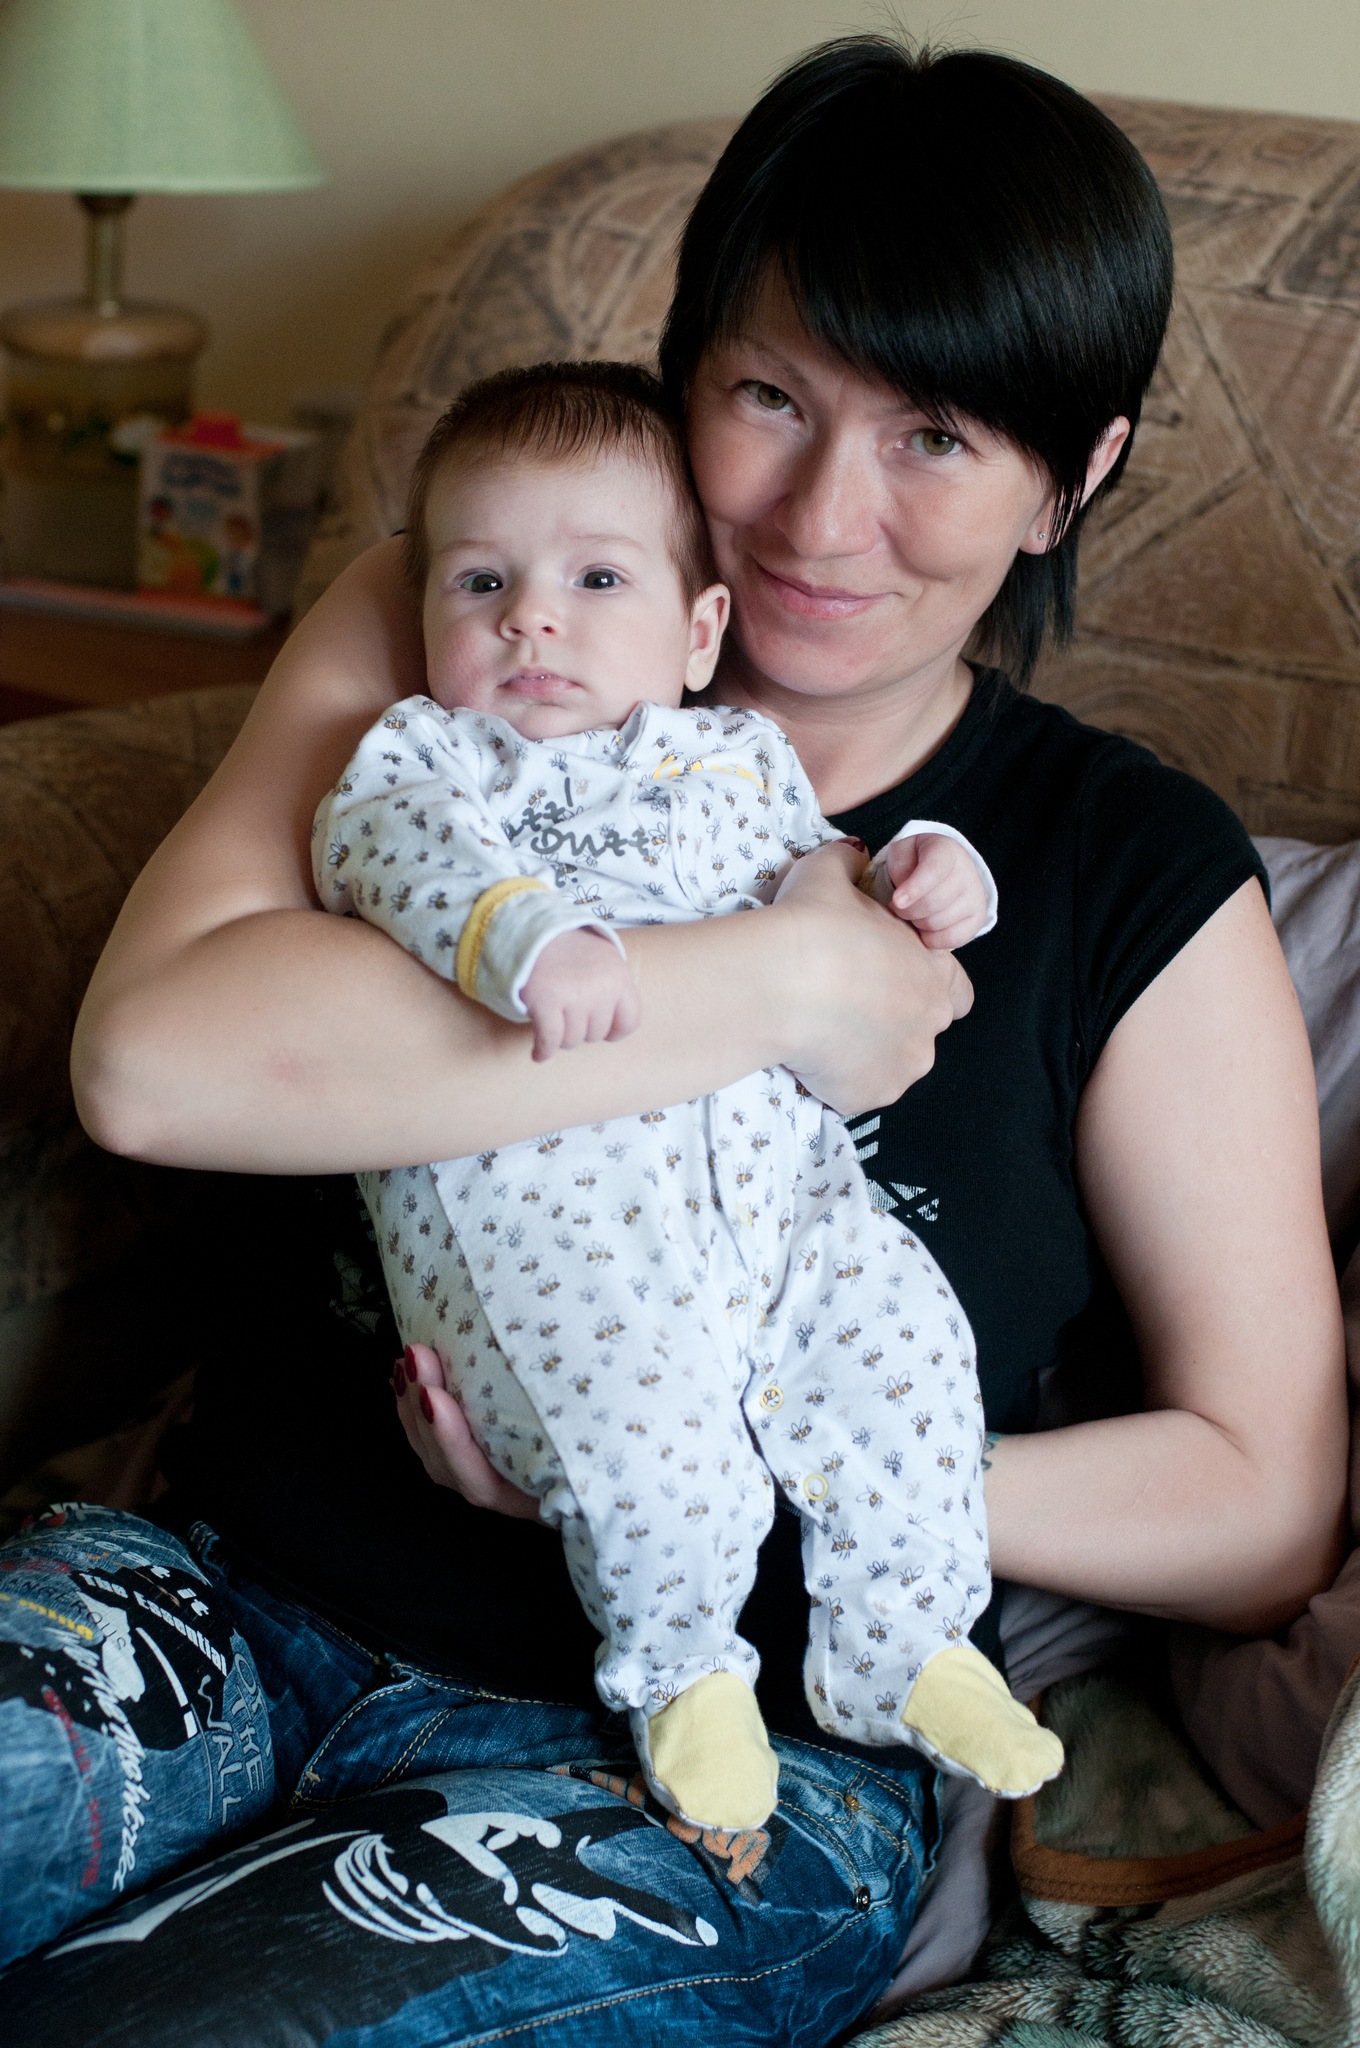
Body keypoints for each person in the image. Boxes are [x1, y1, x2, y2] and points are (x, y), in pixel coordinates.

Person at [1, 33, 1344, 2044]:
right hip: (226, 1588)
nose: (818, 516)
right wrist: (786, 986)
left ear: (1074, 478)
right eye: (770, 398)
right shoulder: (474, 616)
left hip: (732, 1763)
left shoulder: (1113, 864)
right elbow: (157, 1067)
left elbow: (1259, 1505)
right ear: (681, 369)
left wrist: (750, 1453)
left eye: (936, 435)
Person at [313, 357, 1059, 1830]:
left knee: (909, 1354)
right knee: (651, 1451)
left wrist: (930, 877)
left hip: (782, 1212)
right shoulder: (431, 756)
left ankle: (904, 1643)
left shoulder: (737, 760)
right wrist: (520, 937)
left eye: (596, 579)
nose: (531, 619)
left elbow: (825, 886)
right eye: (480, 583)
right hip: (553, 1236)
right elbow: (388, 853)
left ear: (700, 630)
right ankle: (682, 1672)